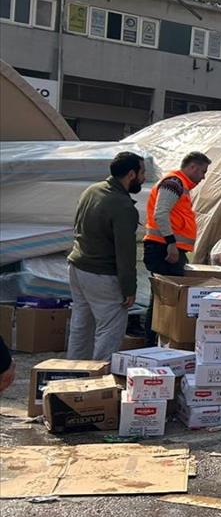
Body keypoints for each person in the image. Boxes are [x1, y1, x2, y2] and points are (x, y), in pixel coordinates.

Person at [65, 152, 146, 362]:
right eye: (142, 172)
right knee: (109, 331)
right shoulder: (123, 206)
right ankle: (98, 382)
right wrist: (129, 288)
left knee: (81, 327)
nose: (143, 178)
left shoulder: (91, 190)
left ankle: (72, 375)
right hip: (102, 275)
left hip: (77, 267)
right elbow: (125, 252)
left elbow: (76, 225)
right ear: (131, 174)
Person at [143, 152, 210, 342]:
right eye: (203, 171)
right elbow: (161, 213)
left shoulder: (180, 185)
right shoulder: (174, 183)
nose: (203, 177)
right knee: (162, 300)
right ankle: (153, 341)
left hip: (167, 248)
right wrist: (171, 243)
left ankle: (157, 341)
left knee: (164, 300)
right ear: (193, 168)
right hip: (164, 249)